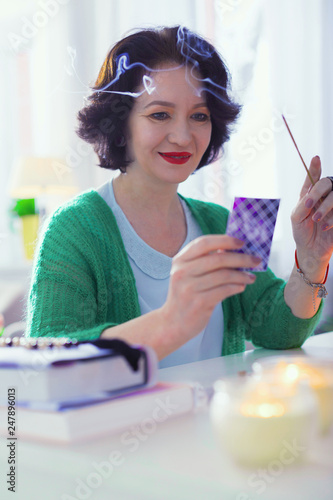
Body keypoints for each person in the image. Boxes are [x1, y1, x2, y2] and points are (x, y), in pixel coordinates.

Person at [26, 26, 333, 368]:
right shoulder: (72, 229)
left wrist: (311, 259)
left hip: (217, 422)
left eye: (199, 116)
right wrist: (172, 320)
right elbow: (47, 364)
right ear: (120, 122)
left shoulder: (223, 221)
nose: (183, 136)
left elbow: (279, 330)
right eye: (160, 114)